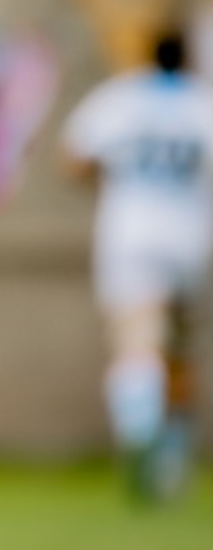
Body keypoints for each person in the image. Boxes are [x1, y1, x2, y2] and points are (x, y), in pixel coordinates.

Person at [61, 29, 213, 501]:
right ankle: (169, 466)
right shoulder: (200, 105)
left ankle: (138, 424)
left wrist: (115, 177)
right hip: (188, 237)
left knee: (135, 339)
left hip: (130, 233)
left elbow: (73, 160)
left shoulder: (120, 99)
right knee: (176, 350)